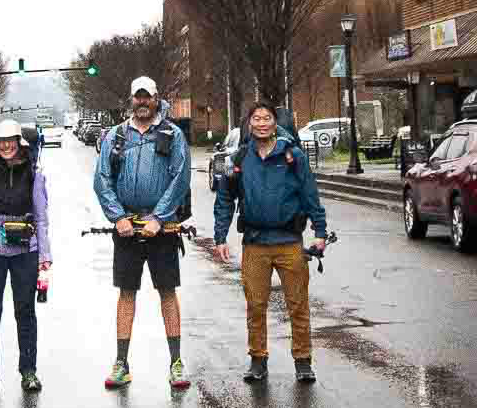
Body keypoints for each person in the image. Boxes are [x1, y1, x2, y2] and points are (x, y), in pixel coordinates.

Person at [213, 101, 328, 383]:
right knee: (255, 305)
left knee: (298, 304)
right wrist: (220, 235)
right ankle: (258, 360)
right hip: (254, 243)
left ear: (275, 123)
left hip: (289, 241)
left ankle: (303, 361)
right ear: (249, 124)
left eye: (267, 118)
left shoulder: (293, 156)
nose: (262, 123)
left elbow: (309, 193)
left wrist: (320, 231)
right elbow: (225, 199)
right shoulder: (239, 160)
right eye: (256, 119)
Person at [92, 76, 192, 391]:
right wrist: (117, 216)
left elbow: (180, 177)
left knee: (167, 293)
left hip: (161, 231)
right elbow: (102, 178)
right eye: (138, 97)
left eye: (147, 96)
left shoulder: (173, 135)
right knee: (126, 293)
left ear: (156, 98)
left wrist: (160, 218)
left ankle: (176, 362)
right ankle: (121, 363)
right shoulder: (115, 136)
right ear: (131, 99)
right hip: (126, 231)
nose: (143, 102)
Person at [0, 118, 51, 395]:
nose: (6, 146)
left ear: (20, 144)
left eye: (11, 141)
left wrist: (45, 255)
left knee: (25, 312)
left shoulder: (35, 175)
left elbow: (41, 218)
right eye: (1, 142)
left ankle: (29, 371)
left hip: (25, 251)